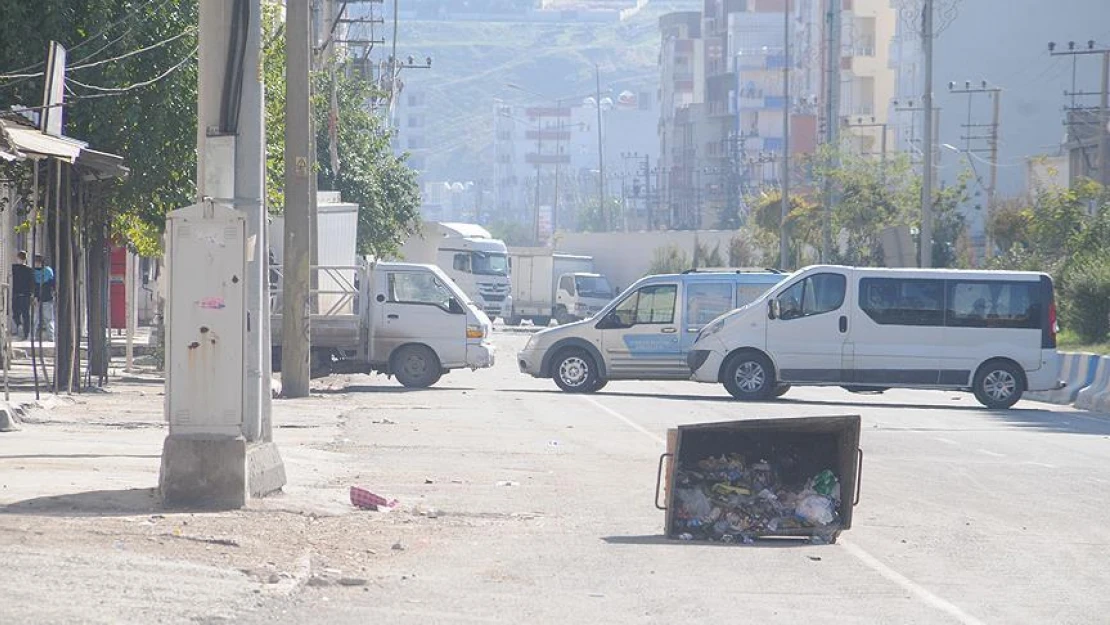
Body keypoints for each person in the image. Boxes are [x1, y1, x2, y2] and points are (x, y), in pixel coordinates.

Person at [32, 254, 55, 342]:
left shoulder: (48, 271)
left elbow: (52, 284)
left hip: (47, 298)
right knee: (35, 319)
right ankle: (32, 336)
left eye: (37, 262)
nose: (36, 264)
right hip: (37, 299)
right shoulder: (33, 272)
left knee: (48, 319)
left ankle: (51, 337)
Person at [11, 250, 32, 340]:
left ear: (18, 258)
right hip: (25, 296)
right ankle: (26, 333)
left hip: (16, 294)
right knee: (26, 315)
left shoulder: (13, 268)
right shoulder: (29, 270)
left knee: (16, 313)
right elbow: (32, 283)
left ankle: (19, 325)